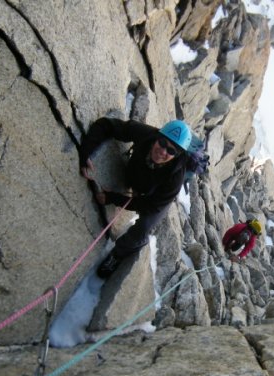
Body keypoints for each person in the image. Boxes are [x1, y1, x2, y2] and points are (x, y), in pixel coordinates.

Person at [79, 117, 192, 278]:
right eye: (162, 142)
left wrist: (114, 198)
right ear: (157, 136)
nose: (164, 151)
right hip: (135, 174)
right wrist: (86, 151)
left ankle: (118, 254)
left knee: (144, 227)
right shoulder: (146, 134)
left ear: (178, 154)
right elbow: (106, 125)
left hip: (152, 195)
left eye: (172, 151)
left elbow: (150, 206)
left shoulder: (175, 179)